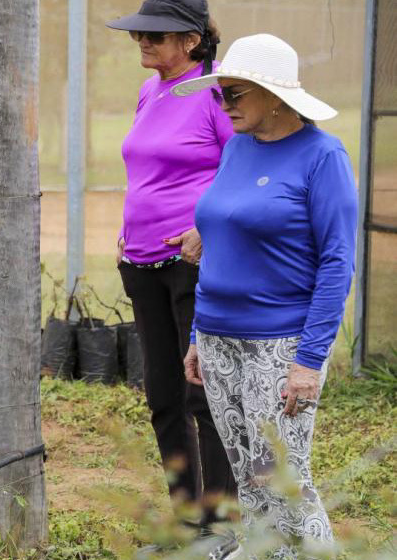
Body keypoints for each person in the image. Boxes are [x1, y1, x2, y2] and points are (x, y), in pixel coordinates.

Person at [176, 33, 355, 560]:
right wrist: (196, 336)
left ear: (274, 95)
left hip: (279, 346)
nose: (224, 105)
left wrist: (309, 361)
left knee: (284, 479)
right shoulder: (235, 148)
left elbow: (338, 263)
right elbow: (221, 245)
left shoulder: (323, 156)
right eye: (219, 95)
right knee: (248, 477)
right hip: (217, 338)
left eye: (234, 94)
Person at [106, 0, 238, 540]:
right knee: (162, 394)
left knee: (199, 393)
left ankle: (221, 526)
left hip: (192, 265)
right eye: (139, 33)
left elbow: (244, 166)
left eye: (155, 35)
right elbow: (146, 170)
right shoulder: (149, 90)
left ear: (191, 40)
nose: (143, 42)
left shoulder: (215, 91)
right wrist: (126, 230)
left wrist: (208, 230)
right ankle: (187, 521)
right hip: (140, 264)